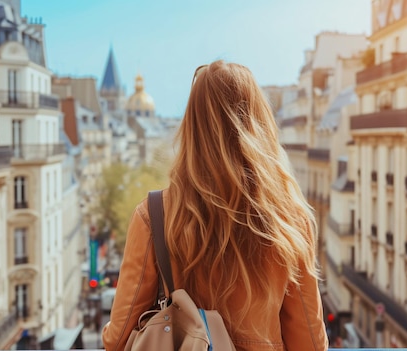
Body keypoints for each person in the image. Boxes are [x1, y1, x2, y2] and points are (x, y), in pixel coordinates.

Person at [102, 60, 328, 351]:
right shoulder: (290, 221)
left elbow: (117, 339)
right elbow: (309, 342)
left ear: (191, 127)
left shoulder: (154, 215)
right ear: (260, 124)